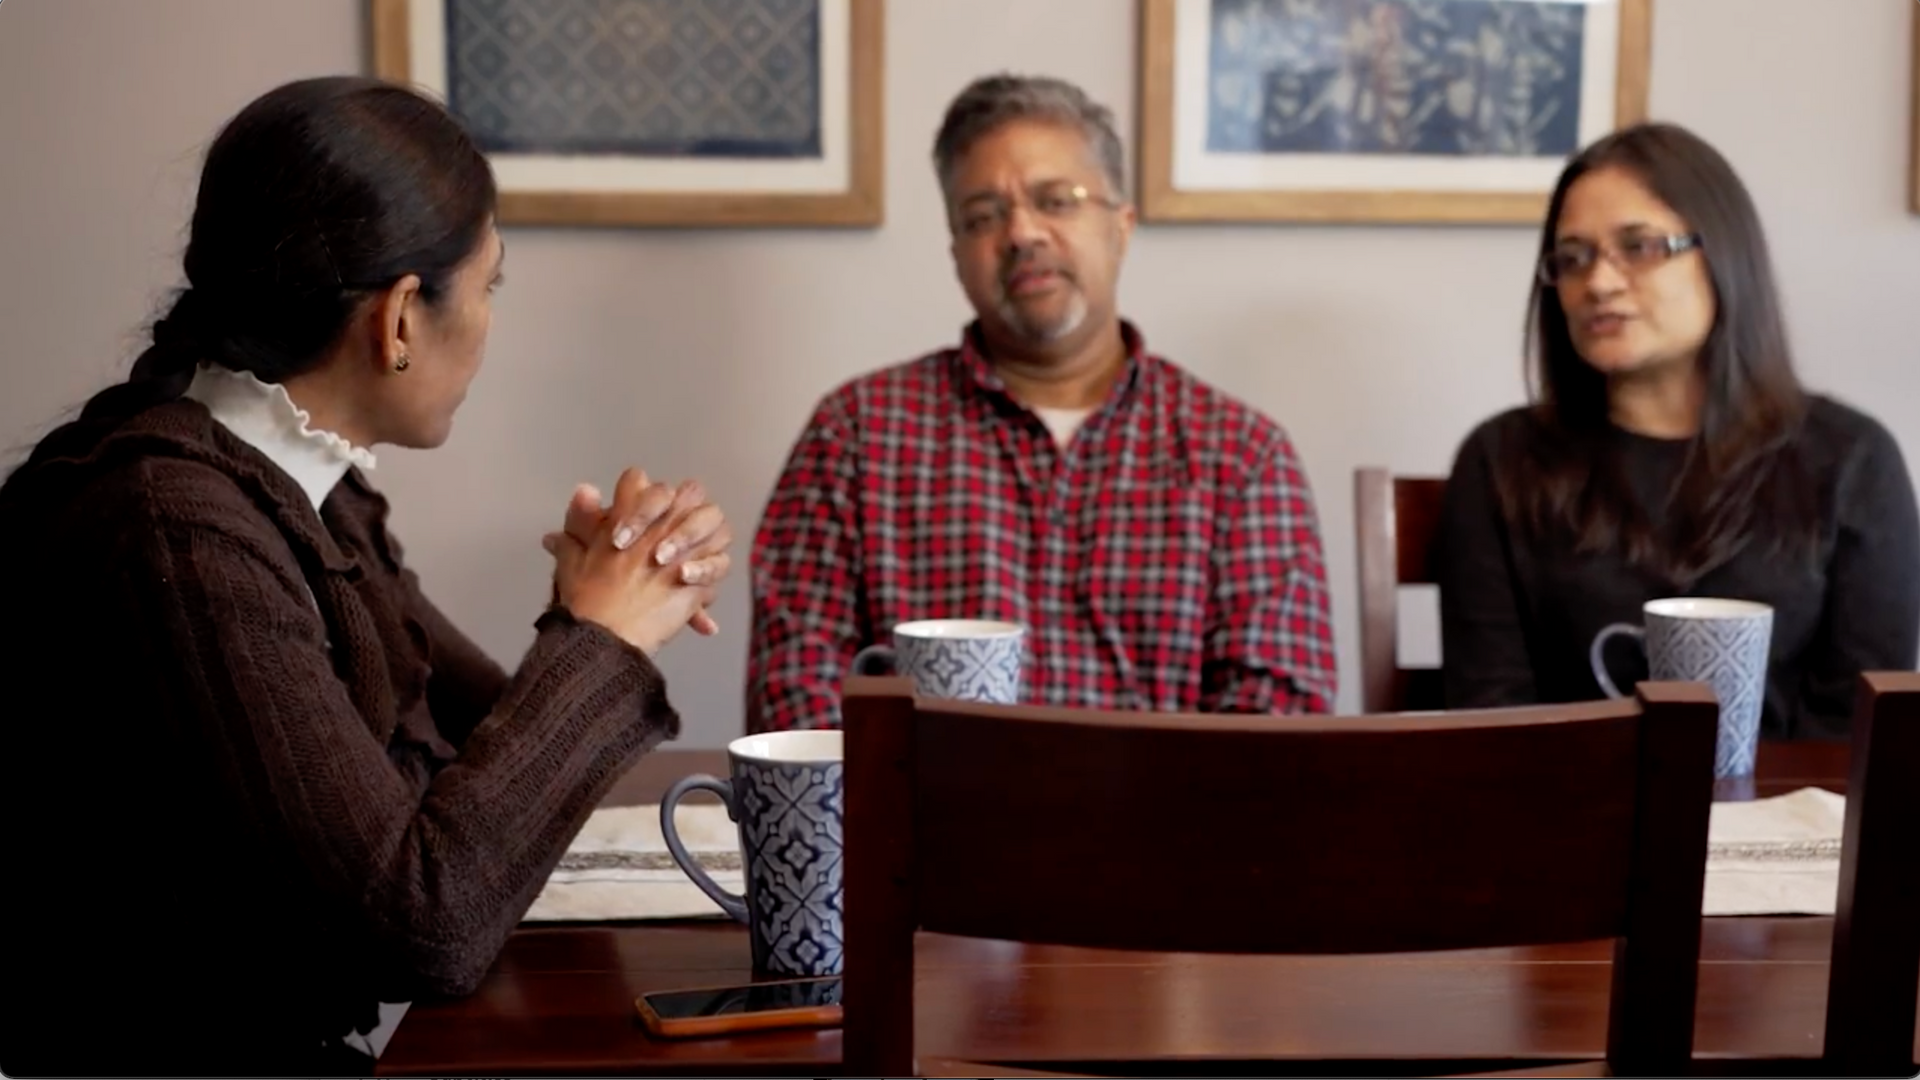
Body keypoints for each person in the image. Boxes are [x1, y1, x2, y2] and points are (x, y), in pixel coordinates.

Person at [0, 76, 735, 1076]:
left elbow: (470, 756)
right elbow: (423, 924)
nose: (489, 322)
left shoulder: (302, 488)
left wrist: (586, 613)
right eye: (490, 288)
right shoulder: (178, 530)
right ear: (398, 319)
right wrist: (600, 640)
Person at [746, 73, 1337, 733]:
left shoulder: (1241, 454)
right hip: (925, 831)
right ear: (956, 254)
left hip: (1167, 832)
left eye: (1057, 200)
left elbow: (1281, 728)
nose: (1022, 232)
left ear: (1121, 226)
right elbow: (794, 698)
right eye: (983, 215)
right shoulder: (855, 435)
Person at [1435, 121, 1919, 739]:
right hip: (1571, 821)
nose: (1600, 283)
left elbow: (1857, 734)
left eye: (1639, 247)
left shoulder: (1851, 460)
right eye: (1573, 258)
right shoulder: (1501, 461)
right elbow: (1492, 719)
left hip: (1795, 826)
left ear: (1723, 254)